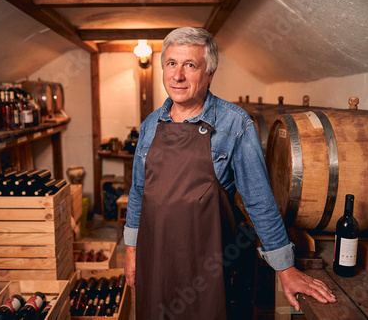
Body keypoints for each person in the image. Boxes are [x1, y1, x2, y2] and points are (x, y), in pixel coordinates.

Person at [124, 26, 336, 319]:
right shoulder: (150, 124)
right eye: (171, 63)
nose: (178, 75)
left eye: (190, 65)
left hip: (207, 268)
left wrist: (285, 268)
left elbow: (259, 200)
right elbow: (137, 194)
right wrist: (132, 253)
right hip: (155, 259)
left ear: (210, 73)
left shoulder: (235, 124)